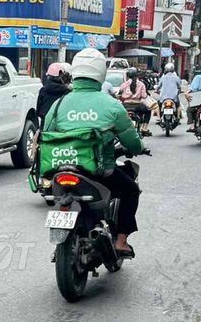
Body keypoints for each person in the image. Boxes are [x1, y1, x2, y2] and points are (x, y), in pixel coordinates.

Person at [43, 47, 144, 257]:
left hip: (61, 169)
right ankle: (121, 242)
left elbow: (47, 133)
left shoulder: (59, 104)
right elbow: (131, 141)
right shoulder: (112, 105)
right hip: (99, 171)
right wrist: (139, 148)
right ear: (101, 73)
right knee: (131, 190)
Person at [115, 68, 151, 135]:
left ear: (128, 76)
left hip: (125, 106)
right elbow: (144, 96)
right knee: (148, 111)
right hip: (137, 105)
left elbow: (119, 94)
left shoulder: (124, 84)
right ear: (136, 75)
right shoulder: (141, 84)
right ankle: (144, 128)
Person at [36, 62, 72, 126]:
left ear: (48, 76)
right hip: (62, 124)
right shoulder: (68, 92)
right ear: (62, 76)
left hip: (45, 125)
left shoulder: (43, 91)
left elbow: (38, 111)